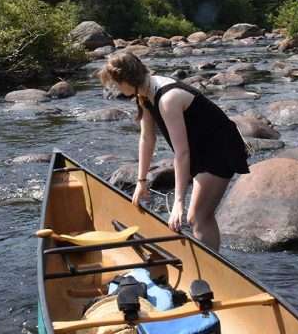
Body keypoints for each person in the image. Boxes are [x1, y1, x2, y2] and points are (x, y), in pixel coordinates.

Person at [98, 51, 250, 251]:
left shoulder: (168, 99)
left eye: (115, 83)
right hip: (199, 147)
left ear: (127, 79)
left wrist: (178, 202)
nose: (115, 88)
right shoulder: (143, 92)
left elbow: (182, 153)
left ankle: (214, 272)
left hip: (219, 150)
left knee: (197, 217)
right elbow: (147, 138)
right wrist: (141, 182)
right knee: (198, 216)